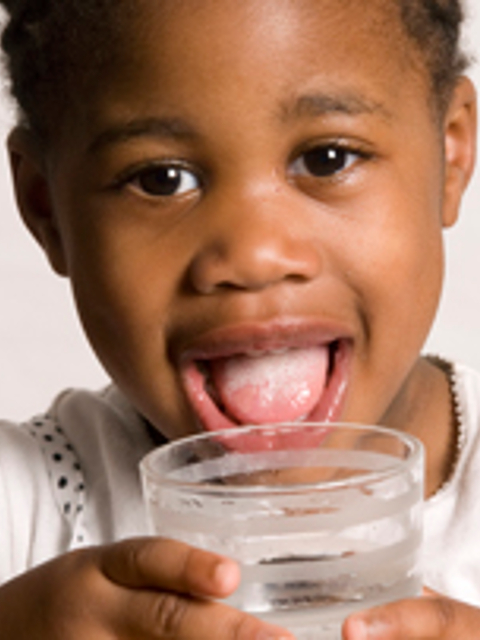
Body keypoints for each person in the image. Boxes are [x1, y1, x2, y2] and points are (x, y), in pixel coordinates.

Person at [0, 0, 479, 637]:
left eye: (328, 159)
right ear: (46, 210)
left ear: (449, 156)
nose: (253, 256)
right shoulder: (27, 505)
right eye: (161, 178)